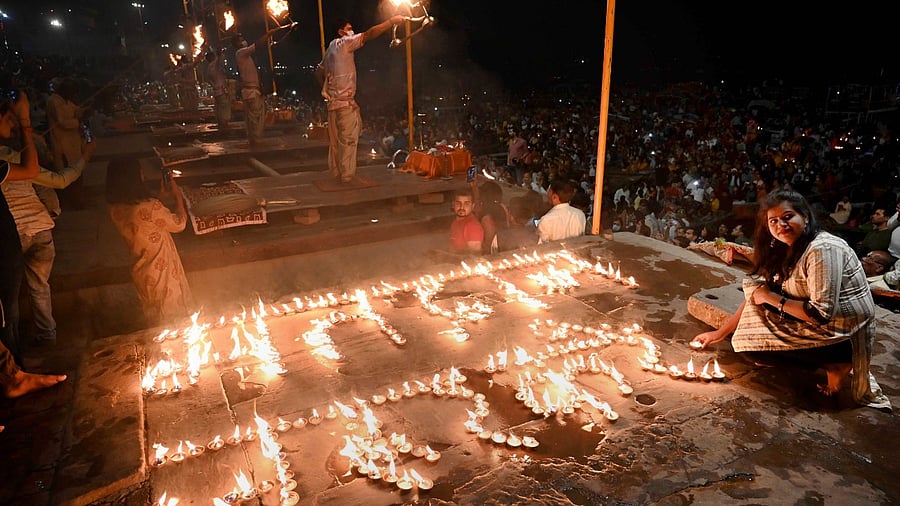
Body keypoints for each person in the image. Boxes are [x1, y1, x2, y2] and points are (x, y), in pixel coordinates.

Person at [692, 189, 891, 411]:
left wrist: (771, 298)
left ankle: (838, 364)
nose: (780, 225)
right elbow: (755, 294)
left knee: (756, 343)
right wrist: (719, 334)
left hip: (844, 332)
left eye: (788, 217)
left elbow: (821, 314)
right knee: (749, 342)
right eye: (773, 221)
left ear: (805, 217)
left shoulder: (822, 249)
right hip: (814, 319)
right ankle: (805, 356)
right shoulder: (782, 247)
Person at [0, 90, 67, 398]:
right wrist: (26, 122)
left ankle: (14, 372)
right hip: (10, 244)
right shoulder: (10, 157)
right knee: (8, 312)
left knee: (9, 311)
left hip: (16, 238)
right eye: (8, 117)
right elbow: (31, 170)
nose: (12, 123)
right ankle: (12, 375)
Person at [2, 139, 97, 347]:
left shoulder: (12, 163)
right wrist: (85, 157)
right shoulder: (20, 159)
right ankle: (47, 335)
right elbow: (58, 183)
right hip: (40, 228)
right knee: (39, 286)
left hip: (13, 234)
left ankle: (12, 348)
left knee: (9, 296)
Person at [105, 159, 194, 327]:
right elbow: (179, 223)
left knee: (155, 313)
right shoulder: (152, 207)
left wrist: (160, 198)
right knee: (172, 317)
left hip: (142, 270)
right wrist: (178, 197)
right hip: (162, 272)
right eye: (140, 173)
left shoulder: (115, 208)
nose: (143, 175)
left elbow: (144, 220)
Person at [316, 15, 405, 183]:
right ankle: (347, 178)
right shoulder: (344, 43)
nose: (352, 31)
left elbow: (318, 72)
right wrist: (391, 21)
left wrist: (328, 91)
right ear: (341, 31)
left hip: (333, 104)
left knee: (335, 143)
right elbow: (370, 34)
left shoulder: (330, 49)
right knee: (348, 141)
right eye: (349, 28)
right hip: (344, 104)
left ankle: (337, 174)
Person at [232, 23, 296, 147]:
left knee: (255, 119)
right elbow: (257, 45)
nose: (244, 41)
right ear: (237, 44)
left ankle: (255, 141)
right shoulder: (241, 53)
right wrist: (269, 34)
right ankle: (256, 143)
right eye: (241, 40)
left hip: (253, 91)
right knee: (255, 120)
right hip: (251, 93)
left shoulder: (246, 56)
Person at [46, 77, 87, 209]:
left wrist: (86, 110)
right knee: (67, 175)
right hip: (62, 146)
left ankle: (78, 201)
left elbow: (77, 111)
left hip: (73, 145)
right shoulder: (54, 101)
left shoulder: (66, 101)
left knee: (78, 172)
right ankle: (71, 203)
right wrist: (78, 121)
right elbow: (62, 122)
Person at [537, 179, 586, 244]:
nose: (546, 193)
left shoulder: (546, 219)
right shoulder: (580, 214)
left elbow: (542, 247)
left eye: (548, 191)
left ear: (554, 196)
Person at [448, 188, 484, 255]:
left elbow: (475, 256)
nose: (462, 207)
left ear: (472, 206)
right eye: (458, 203)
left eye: (466, 204)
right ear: (453, 205)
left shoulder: (472, 226)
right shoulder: (455, 223)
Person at [205, 47, 232, 130]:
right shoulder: (214, 64)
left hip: (217, 92)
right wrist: (219, 53)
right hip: (222, 92)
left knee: (219, 111)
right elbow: (219, 58)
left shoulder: (209, 68)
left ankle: (222, 126)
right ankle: (225, 128)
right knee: (225, 112)